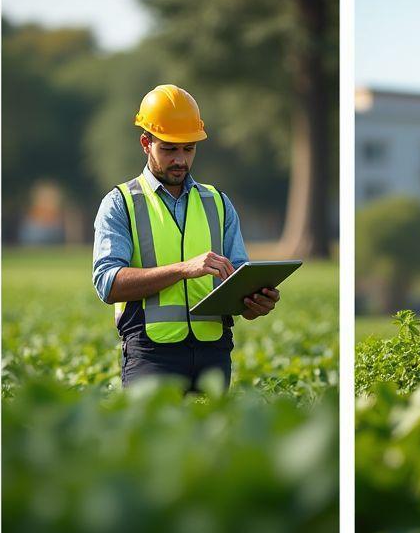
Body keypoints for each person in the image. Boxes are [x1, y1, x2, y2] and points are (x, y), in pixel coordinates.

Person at [92, 84, 279, 390]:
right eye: (169, 149)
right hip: (151, 355)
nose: (180, 159)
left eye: (188, 148)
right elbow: (108, 284)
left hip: (214, 355)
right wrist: (183, 269)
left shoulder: (218, 202)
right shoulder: (120, 203)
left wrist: (255, 303)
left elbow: (238, 280)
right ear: (145, 142)